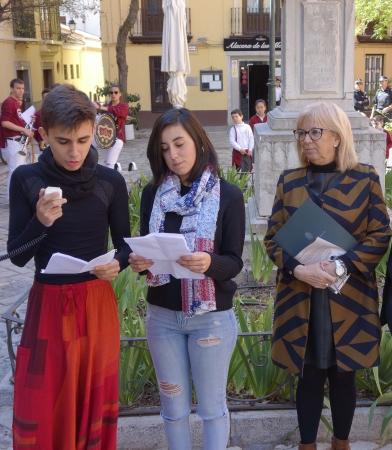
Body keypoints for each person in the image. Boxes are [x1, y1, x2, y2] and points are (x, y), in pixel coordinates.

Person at [8, 84, 131, 449]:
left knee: (93, 399)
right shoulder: (27, 179)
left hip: (96, 303)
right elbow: (17, 256)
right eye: (63, 142)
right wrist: (40, 223)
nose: (74, 151)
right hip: (48, 305)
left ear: (94, 129)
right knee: (44, 402)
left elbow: (123, 246)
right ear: (44, 135)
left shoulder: (110, 182)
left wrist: (118, 264)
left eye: (82, 139)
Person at [264, 101, 391, 450]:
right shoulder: (289, 181)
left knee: (343, 374)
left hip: (348, 297)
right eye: (302, 132)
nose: (306, 139)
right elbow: (272, 239)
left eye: (315, 132)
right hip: (300, 297)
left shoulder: (365, 179)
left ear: (337, 137)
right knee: (307, 375)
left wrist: (341, 265)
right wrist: (298, 268)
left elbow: (380, 234)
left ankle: (341, 443)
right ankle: (307, 445)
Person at [129, 107, 245, 450]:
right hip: (162, 318)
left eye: (179, 144)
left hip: (211, 321)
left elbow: (234, 262)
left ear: (198, 140)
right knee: (173, 409)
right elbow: (145, 249)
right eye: (164, 148)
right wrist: (139, 261)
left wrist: (208, 262)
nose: (173, 155)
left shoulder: (228, 195)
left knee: (211, 409)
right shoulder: (154, 194)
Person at [1, 78, 35, 198]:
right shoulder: (9, 102)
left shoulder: (16, 103)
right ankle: (12, 199)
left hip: (19, 141)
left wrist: (29, 122)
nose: (21, 91)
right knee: (15, 171)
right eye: (18, 88)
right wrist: (24, 130)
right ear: (11, 89)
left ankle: (17, 197)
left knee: (19, 170)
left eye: (22, 88)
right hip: (13, 142)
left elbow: (17, 121)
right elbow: (4, 122)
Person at [93, 84, 128, 169]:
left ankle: (113, 181)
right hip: (105, 137)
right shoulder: (105, 106)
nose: (113, 94)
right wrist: (95, 107)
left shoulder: (124, 106)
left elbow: (117, 111)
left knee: (110, 165)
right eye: (111, 92)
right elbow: (97, 118)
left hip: (117, 138)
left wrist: (101, 107)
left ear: (120, 94)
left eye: (116, 92)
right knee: (106, 164)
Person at [229, 108, 254, 172]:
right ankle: (241, 181)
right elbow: (232, 141)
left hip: (247, 151)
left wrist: (250, 149)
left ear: (241, 116)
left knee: (248, 168)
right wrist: (239, 149)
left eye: (236, 116)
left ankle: (245, 181)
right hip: (238, 152)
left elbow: (251, 138)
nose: (235, 118)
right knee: (240, 169)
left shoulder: (247, 127)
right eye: (233, 117)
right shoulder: (233, 129)